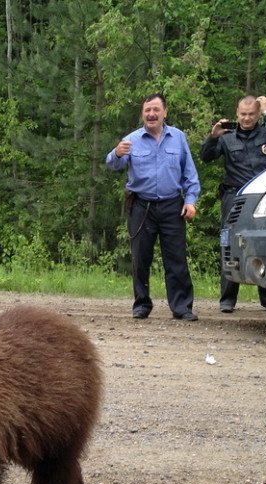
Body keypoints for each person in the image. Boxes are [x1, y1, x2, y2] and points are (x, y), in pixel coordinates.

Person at [106, 93, 201, 321]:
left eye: (156, 110)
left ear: (165, 112)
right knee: (141, 258)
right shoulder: (131, 139)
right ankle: (141, 305)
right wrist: (116, 154)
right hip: (142, 206)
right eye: (147, 110)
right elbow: (113, 164)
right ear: (143, 113)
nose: (151, 114)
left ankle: (181, 307)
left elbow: (189, 172)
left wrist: (190, 200)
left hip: (172, 205)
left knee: (176, 259)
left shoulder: (178, 137)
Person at [199, 94, 266, 313]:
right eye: (243, 114)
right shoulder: (226, 136)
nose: (247, 118)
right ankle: (227, 299)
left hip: (264, 198)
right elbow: (205, 156)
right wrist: (213, 137)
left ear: (258, 113)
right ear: (236, 113)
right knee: (229, 244)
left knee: (265, 244)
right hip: (235, 197)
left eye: (251, 114)